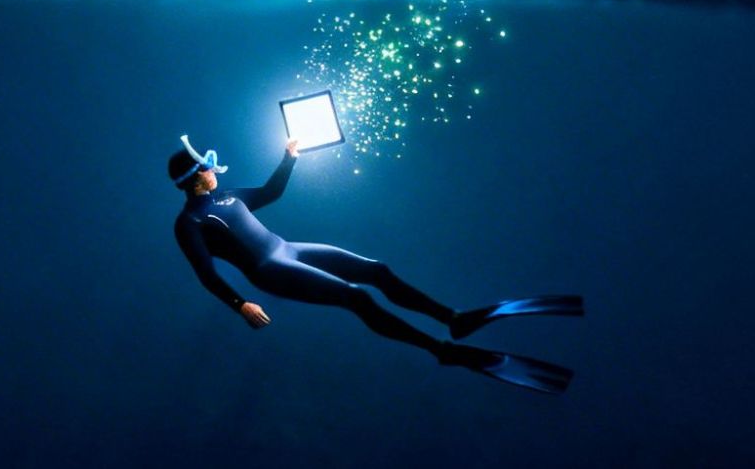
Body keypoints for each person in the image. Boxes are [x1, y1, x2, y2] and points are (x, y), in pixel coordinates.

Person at [169, 134, 581, 393]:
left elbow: (270, 192)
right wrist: (241, 304)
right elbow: (206, 275)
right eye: (206, 164)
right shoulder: (189, 223)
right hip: (270, 270)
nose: (213, 167)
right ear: (196, 175)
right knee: (356, 297)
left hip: (288, 249)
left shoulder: (229, 196)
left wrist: (289, 157)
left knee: (376, 270)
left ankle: (453, 319)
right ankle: (441, 349)